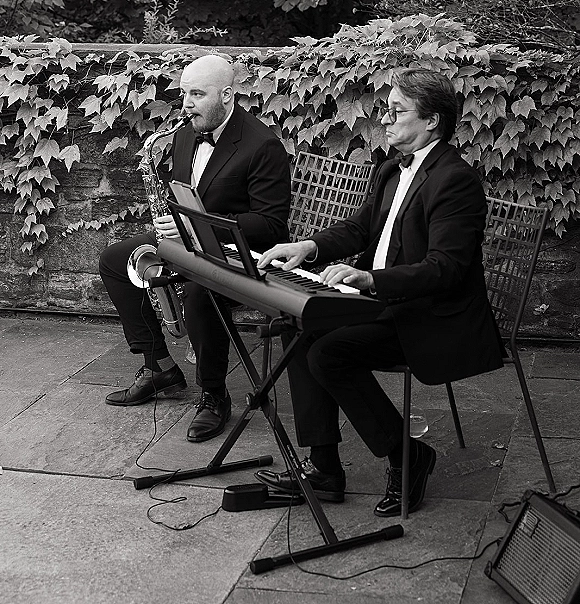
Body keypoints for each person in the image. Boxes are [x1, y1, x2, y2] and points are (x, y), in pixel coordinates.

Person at [255, 68, 504, 518]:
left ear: (432, 121)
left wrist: (371, 280)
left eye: (396, 112)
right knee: (300, 329)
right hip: (382, 301)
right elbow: (361, 227)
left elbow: (446, 268)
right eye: (385, 111)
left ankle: (407, 456)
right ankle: (325, 470)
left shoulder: (455, 179)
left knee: (329, 353)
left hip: (431, 314)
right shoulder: (393, 169)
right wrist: (308, 246)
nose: (385, 121)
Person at [99, 55, 291, 442]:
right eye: (184, 92)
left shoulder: (263, 145)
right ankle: (160, 367)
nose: (186, 103)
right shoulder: (187, 132)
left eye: (197, 94)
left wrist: (199, 226)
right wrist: (172, 221)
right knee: (115, 261)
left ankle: (213, 394)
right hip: (189, 242)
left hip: (242, 255)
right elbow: (184, 196)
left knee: (201, 291)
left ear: (227, 94)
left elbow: (271, 226)